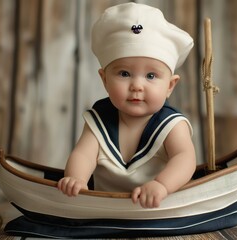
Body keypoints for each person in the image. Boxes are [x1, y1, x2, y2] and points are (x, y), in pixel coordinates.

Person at [57, 2, 196, 208]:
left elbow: (184, 159)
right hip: (105, 207)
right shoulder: (99, 120)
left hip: (157, 204)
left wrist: (161, 184)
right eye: (124, 74)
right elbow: (83, 154)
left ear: (170, 85)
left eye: (151, 76)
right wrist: (77, 178)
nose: (137, 86)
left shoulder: (172, 125)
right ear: (104, 79)